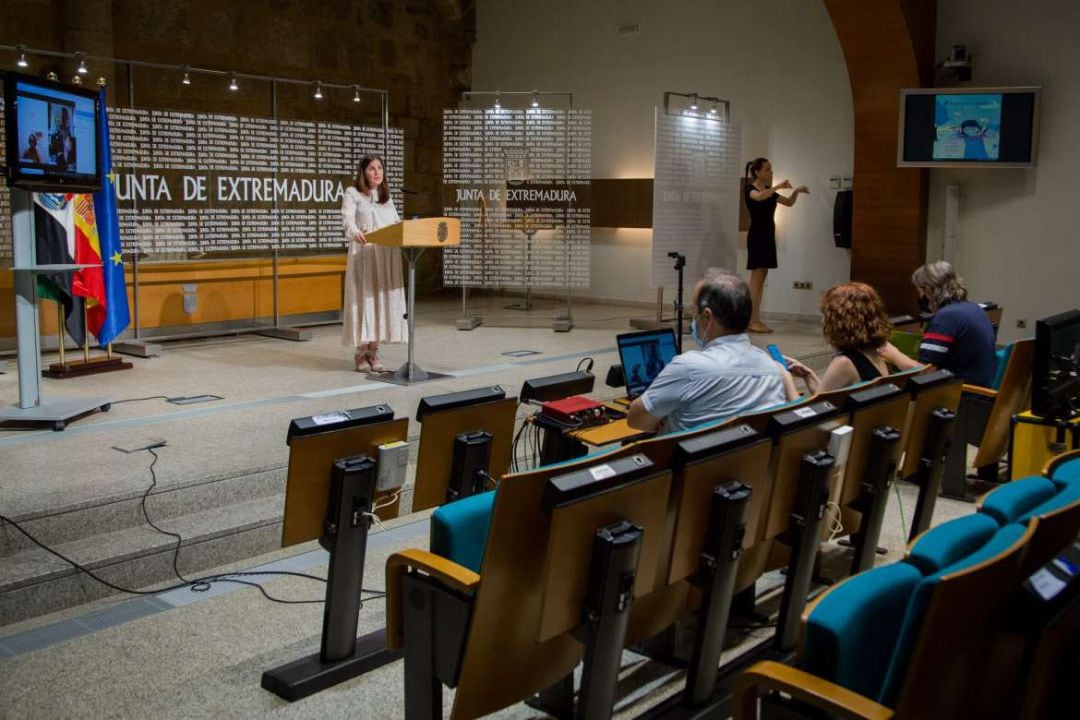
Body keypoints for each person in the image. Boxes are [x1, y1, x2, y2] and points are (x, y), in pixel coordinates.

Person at [628, 271, 797, 434]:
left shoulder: (688, 368)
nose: (693, 320)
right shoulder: (772, 368)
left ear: (707, 317)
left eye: (694, 312)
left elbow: (635, 419)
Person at [340, 154, 406, 372]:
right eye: (372, 168)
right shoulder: (352, 193)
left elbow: (395, 222)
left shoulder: (385, 197)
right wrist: (355, 232)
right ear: (363, 172)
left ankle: (374, 350)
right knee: (363, 300)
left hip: (386, 255)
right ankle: (361, 351)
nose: (377, 172)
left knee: (381, 300)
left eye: (380, 168)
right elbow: (348, 219)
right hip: (364, 254)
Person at [894, 260, 997, 387]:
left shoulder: (946, 318)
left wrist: (890, 352)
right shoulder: (973, 308)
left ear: (927, 290)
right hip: (980, 390)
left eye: (919, 292)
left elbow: (924, 373)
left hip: (961, 395)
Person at [785, 282, 900, 394]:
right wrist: (808, 375)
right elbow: (827, 398)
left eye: (826, 315)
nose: (823, 320)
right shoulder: (876, 353)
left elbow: (817, 409)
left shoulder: (844, 363)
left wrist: (787, 381)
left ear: (839, 322)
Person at [744, 157, 808, 334]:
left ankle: (755, 318)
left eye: (771, 170)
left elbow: (788, 202)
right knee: (756, 277)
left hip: (768, 236)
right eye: (767, 170)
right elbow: (758, 197)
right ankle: (752, 320)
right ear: (757, 172)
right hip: (757, 236)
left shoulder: (770, 191)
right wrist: (778, 186)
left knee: (762, 275)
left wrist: (796, 191)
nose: (770, 172)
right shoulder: (750, 189)